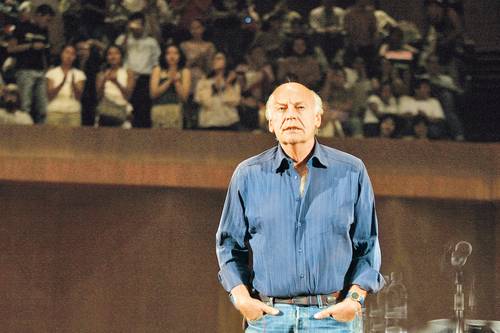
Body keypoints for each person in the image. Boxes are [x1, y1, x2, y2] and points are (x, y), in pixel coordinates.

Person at [216, 82, 384, 332]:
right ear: (271, 122)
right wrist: (241, 298)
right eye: (282, 109)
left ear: (317, 118)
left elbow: (367, 245)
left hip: (333, 319)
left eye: (300, 107)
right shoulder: (247, 175)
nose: (291, 115)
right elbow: (229, 245)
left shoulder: (352, 171)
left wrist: (354, 300)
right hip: (269, 319)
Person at [7, 3, 55, 123]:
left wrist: (48, 68)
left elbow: (46, 52)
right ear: (38, 15)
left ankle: (42, 135)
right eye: (46, 19)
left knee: (43, 108)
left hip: (40, 71)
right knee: (25, 106)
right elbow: (11, 48)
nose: (47, 23)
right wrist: (31, 46)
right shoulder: (22, 27)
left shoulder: (44, 31)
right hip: (24, 70)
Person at [115, 12, 161, 128]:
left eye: (139, 24)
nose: (136, 26)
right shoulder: (123, 39)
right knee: (126, 111)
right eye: (134, 23)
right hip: (126, 77)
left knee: (143, 113)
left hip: (144, 79)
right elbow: (117, 53)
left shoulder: (151, 42)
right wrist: (127, 32)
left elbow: (156, 61)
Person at [194, 52, 241, 130]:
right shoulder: (204, 81)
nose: (216, 61)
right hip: (209, 122)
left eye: (219, 58)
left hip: (229, 122)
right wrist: (219, 87)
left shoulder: (233, 81)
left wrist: (227, 84)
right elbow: (203, 100)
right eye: (214, 59)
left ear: (226, 62)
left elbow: (235, 100)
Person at [149, 44, 191, 129]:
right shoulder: (157, 70)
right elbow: (153, 94)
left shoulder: (185, 71)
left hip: (176, 110)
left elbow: (185, 97)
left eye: (175, 53)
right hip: (159, 109)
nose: (172, 56)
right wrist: (169, 80)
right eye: (168, 53)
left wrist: (176, 82)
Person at [45, 44, 86, 127]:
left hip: (73, 112)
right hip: (55, 111)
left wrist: (74, 84)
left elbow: (79, 97)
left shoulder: (79, 74)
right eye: (67, 52)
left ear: (75, 57)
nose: (69, 56)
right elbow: (50, 96)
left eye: (72, 54)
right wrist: (62, 83)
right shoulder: (51, 73)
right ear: (61, 54)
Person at [95, 45, 135, 127]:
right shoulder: (101, 74)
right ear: (106, 57)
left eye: (116, 53)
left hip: (122, 113)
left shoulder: (128, 72)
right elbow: (98, 97)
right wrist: (103, 81)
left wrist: (116, 82)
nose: (113, 56)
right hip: (105, 113)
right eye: (110, 54)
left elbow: (128, 96)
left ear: (121, 56)